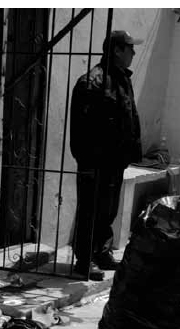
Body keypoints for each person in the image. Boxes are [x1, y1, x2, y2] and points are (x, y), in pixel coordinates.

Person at [70, 30, 143, 280]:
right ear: (117, 51)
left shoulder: (122, 79)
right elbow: (81, 129)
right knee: (90, 209)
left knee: (108, 210)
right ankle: (84, 260)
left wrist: (131, 152)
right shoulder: (92, 82)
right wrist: (87, 160)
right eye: (130, 48)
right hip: (95, 161)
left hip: (114, 160)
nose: (134, 53)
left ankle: (101, 252)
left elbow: (129, 117)